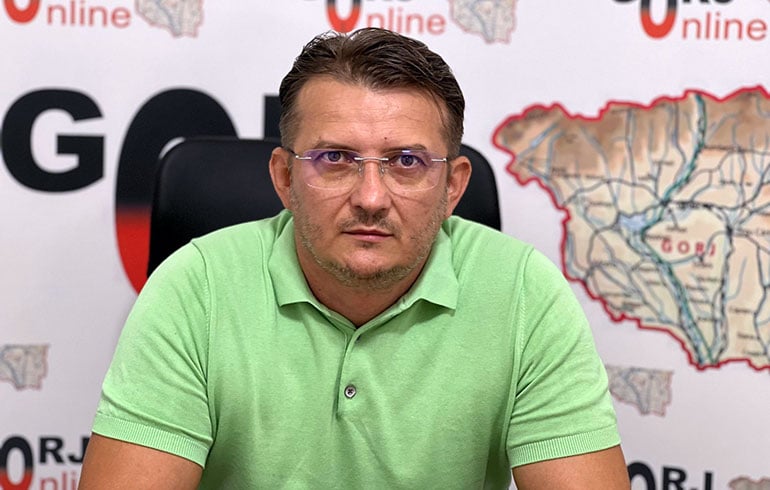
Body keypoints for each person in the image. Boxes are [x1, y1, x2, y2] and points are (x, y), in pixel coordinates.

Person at [79, 27, 630, 489]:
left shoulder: (525, 293)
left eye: (407, 161)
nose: (370, 197)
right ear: (285, 178)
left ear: (453, 188)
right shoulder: (195, 287)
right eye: (335, 158)